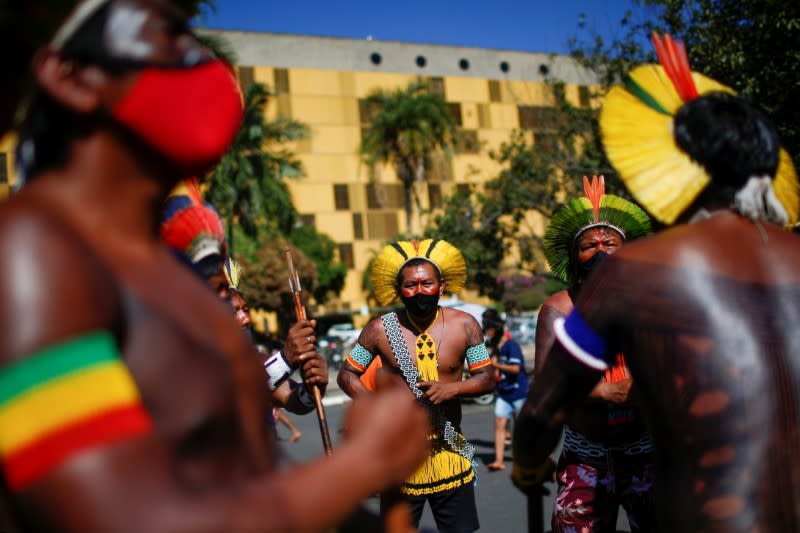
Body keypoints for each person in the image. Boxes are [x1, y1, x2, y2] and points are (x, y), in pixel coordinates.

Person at [0, 1, 430, 531]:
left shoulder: (178, 278)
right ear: (68, 76)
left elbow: (249, 478)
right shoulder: (30, 254)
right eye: (168, 32)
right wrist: (364, 463)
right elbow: (117, 520)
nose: (201, 60)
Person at [512, 34, 800, 532]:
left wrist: (528, 462)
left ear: (677, 166)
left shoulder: (639, 271)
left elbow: (542, 409)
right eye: (589, 245)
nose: (601, 252)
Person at [337, 239, 496, 532]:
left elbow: (487, 378)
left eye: (427, 284)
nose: (419, 292)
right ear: (399, 290)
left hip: (451, 453)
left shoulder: (466, 325)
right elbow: (347, 374)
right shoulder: (378, 331)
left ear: (442, 285)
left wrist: (453, 389)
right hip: (399, 458)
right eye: (410, 285)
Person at [535, 175, 656, 532]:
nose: (600, 250)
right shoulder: (558, 309)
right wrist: (604, 391)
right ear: (575, 256)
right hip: (585, 455)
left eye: (610, 242)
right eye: (589, 245)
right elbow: (545, 384)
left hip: (647, 450)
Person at [161, 180, 328, 416]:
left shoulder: (253, 358)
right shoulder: (172, 354)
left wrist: (312, 390)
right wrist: (286, 358)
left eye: (245, 309)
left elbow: (291, 399)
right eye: (232, 309)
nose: (245, 319)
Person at [482, 309, 529, 472]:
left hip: (518, 392)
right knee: (500, 425)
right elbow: (496, 370)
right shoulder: (496, 347)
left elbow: (516, 369)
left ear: (496, 330)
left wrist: (496, 365)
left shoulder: (511, 346)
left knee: (523, 428)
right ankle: (499, 461)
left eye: (489, 330)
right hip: (503, 393)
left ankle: (534, 457)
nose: (487, 333)